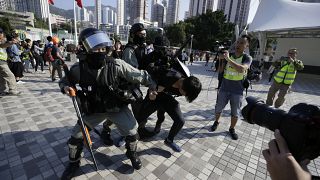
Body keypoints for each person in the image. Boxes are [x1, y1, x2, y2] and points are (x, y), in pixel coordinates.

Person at [60, 28, 157, 179]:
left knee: (132, 133)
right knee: (75, 137)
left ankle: (132, 153)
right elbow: (65, 81)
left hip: (117, 107)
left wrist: (152, 86)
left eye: (103, 48)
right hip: (95, 110)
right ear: (86, 48)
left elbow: (140, 76)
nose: (100, 51)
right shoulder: (79, 69)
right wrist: (65, 87)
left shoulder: (117, 64)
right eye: (96, 48)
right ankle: (74, 162)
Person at [133, 35, 202, 152]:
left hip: (166, 98)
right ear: (183, 87)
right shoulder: (169, 74)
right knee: (139, 117)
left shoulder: (187, 81)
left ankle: (169, 140)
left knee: (180, 121)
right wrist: (152, 90)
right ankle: (127, 136)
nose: (185, 96)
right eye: (185, 93)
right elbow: (151, 77)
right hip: (155, 96)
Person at [210, 35, 252, 140]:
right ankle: (216, 121)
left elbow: (242, 69)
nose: (238, 44)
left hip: (237, 90)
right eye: (237, 42)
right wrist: (220, 60)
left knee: (235, 112)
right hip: (224, 88)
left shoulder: (247, 58)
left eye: (242, 43)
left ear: (246, 46)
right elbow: (220, 71)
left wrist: (227, 59)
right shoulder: (228, 55)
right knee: (218, 108)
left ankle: (232, 129)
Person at [0, 27, 20, 96]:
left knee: (2, 77)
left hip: (3, 61)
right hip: (1, 62)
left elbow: (4, 44)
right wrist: (11, 43)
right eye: (2, 33)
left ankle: (2, 90)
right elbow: (3, 45)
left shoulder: (1, 40)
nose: (3, 35)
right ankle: (13, 90)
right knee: (10, 75)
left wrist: (10, 42)